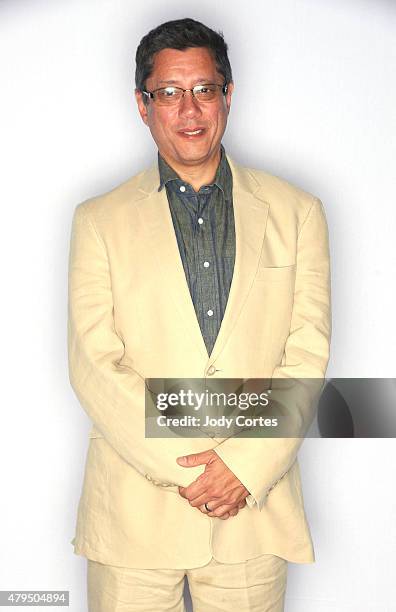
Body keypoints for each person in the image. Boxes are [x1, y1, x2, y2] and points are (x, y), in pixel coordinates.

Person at [68, 17, 331, 612]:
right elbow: (93, 365)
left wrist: (242, 466)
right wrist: (189, 470)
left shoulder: (299, 212)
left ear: (228, 95)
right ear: (143, 104)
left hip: (253, 512)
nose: (189, 110)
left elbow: (306, 355)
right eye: (169, 93)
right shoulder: (98, 220)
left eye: (204, 89)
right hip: (133, 517)